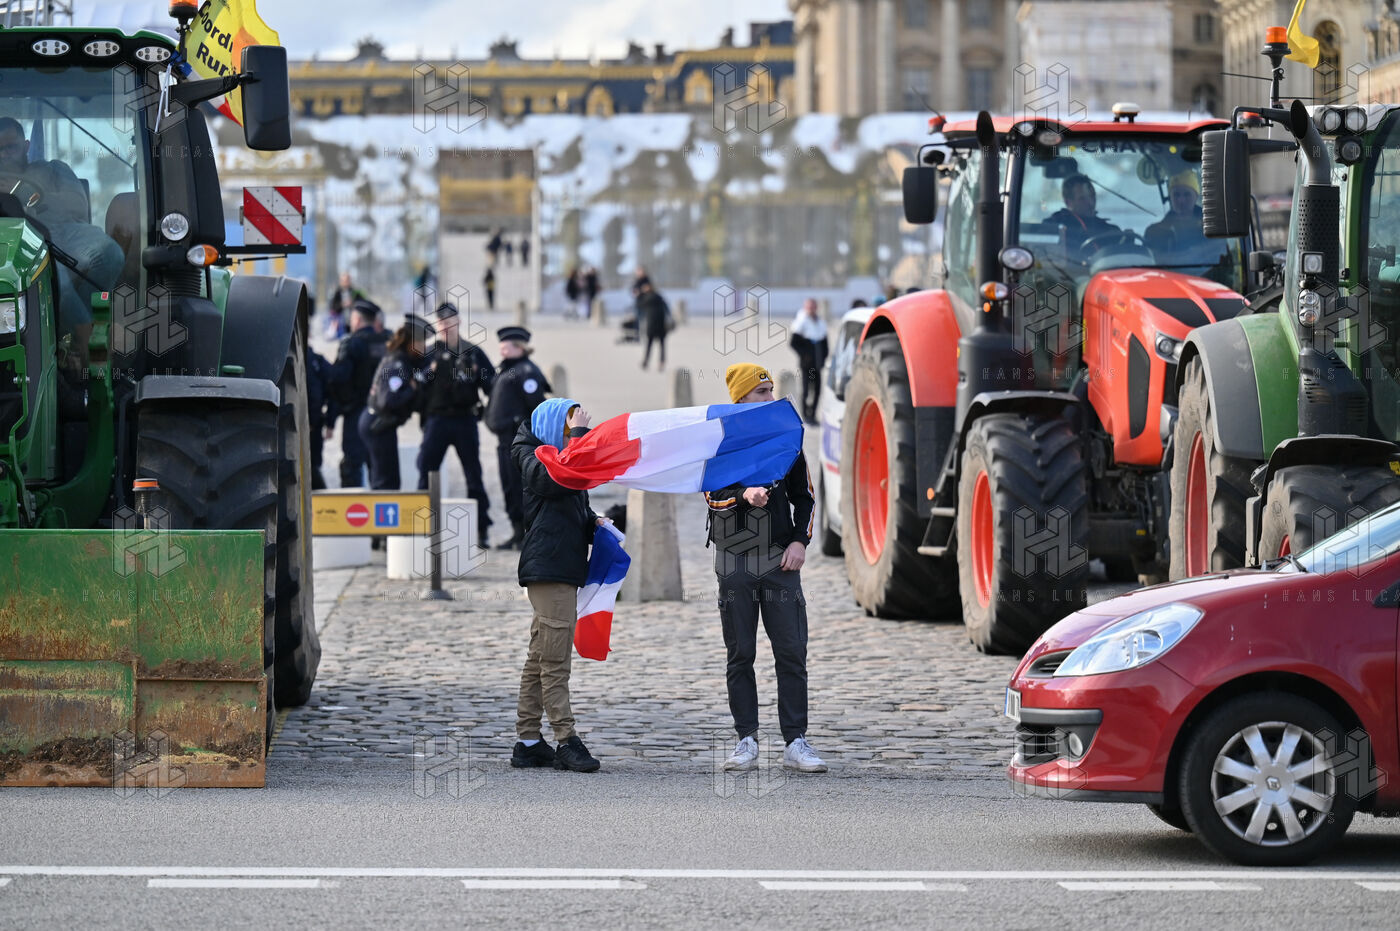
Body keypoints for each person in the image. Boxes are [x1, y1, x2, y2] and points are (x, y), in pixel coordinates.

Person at [704, 363, 826, 774]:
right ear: (740, 399)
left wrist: (799, 541)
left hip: (780, 561)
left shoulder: (787, 439)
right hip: (734, 562)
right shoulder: (721, 440)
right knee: (741, 653)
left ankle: (796, 741)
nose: (770, 397)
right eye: (761, 392)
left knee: (791, 652)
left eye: (771, 389)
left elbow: (806, 498)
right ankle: (746, 740)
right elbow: (712, 496)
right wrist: (744, 495)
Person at [511, 397, 608, 773]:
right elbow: (555, 480)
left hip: (561, 566)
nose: (572, 439)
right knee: (555, 661)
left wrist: (593, 521)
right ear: (553, 428)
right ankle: (566, 740)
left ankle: (528, 742)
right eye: (568, 431)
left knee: (540, 657)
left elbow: (569, 498)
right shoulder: (534, 455)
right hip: (549, 569)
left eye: (574, 434)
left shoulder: (561, 459)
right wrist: (581, 437)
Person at [0, 116, 122, 355]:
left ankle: (73, 330)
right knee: (56, 281)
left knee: (111, 253)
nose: (4, 155)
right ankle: (89, 345)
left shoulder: (54, 169)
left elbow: (77, 206)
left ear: (26, 146)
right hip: (16, 246)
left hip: (65, 232)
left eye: (11, 148)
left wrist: (24, 192)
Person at [417, 302, 496, 549]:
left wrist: (490, 412)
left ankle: (481, 528)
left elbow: (492, 385)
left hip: (464, 420)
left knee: (473, 475)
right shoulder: (428, 354)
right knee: (426, 471)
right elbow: (416, 386)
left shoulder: (473, 352)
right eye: (441, 322)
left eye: (449, 321)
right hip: (437, 420)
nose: (445, 326)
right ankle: (423, 526)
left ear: (458, 322)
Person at [483, 325, 552, 550]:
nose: (502, 350)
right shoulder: (507, 368)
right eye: (501, 346)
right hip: (504, 440)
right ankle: (516, 532)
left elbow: (537, 407)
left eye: (507, 347)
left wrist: (520, 425)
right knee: (509, 486)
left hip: (518, 441)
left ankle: (526, 534)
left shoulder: (526, 371)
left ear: (520, 348)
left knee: (519, 487)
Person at [359, 315, 434, 491]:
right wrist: (412, 388)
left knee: (385, 479)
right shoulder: (396, 364)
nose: (424, 347)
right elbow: (389, 400)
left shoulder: (404, 360)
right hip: (378, 425)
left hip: (381, 425)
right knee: (386, 482)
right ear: (411, 343)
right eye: (421, 343)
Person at [328, 300, 389, 487]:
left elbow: (338, 380)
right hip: (383, 415)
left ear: (357, 320)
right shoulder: (388, 342)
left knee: (352, 467)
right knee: (380, 469)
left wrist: (331, 418)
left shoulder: (352, 343)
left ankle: (353, 506)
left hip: (356, 414)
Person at [1144, 170, 1216, 265]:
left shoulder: (1212, 228)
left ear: (1196, 196)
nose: (1181, 200)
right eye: (1176, 195)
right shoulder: (1155, 232)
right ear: (1170, 197)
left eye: (1187, 194)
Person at [1045, 173, 1119, 255]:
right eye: (1082, 199)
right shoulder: (1052, 227)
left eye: (1092, 196)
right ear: (1068, 202)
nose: (1091, 203)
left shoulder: (1110, 230)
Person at [789, 298, 829, 424]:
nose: (812, 310)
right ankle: (805, 415)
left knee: (817, 390)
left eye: (813, 307)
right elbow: (793, 343)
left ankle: (813, 414)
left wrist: (824, 357)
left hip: (817, 363)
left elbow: (825, 343)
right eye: (809, 307)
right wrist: (805, 355)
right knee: (807, 390)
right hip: (808, 365)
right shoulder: (801, 321)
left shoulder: (820, 322)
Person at [306, 340, 333, 491]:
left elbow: (316, 394)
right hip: (313, 422)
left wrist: (311, 421)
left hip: (311, 424)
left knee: (311, 466)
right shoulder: (317, 360)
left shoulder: (312, 361)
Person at [637, 279, 672, 372]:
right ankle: (660, 362)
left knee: (650, 344)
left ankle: (646, 361)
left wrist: (639, 295)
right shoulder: (659, 296)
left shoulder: (645, 298)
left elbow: (639, 306)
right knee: (661, 345)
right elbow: (667, 309)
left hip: (652, 324)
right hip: (660, 323)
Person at [327, 271, 363, 339]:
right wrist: (342, 304)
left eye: (347, 280)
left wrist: (352, 303)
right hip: (340, 324)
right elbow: (332, 307)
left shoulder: (355, 292)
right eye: (343, 280)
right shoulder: (337, 293)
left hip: (353, 323)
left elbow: (361, 304)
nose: (345, 282)